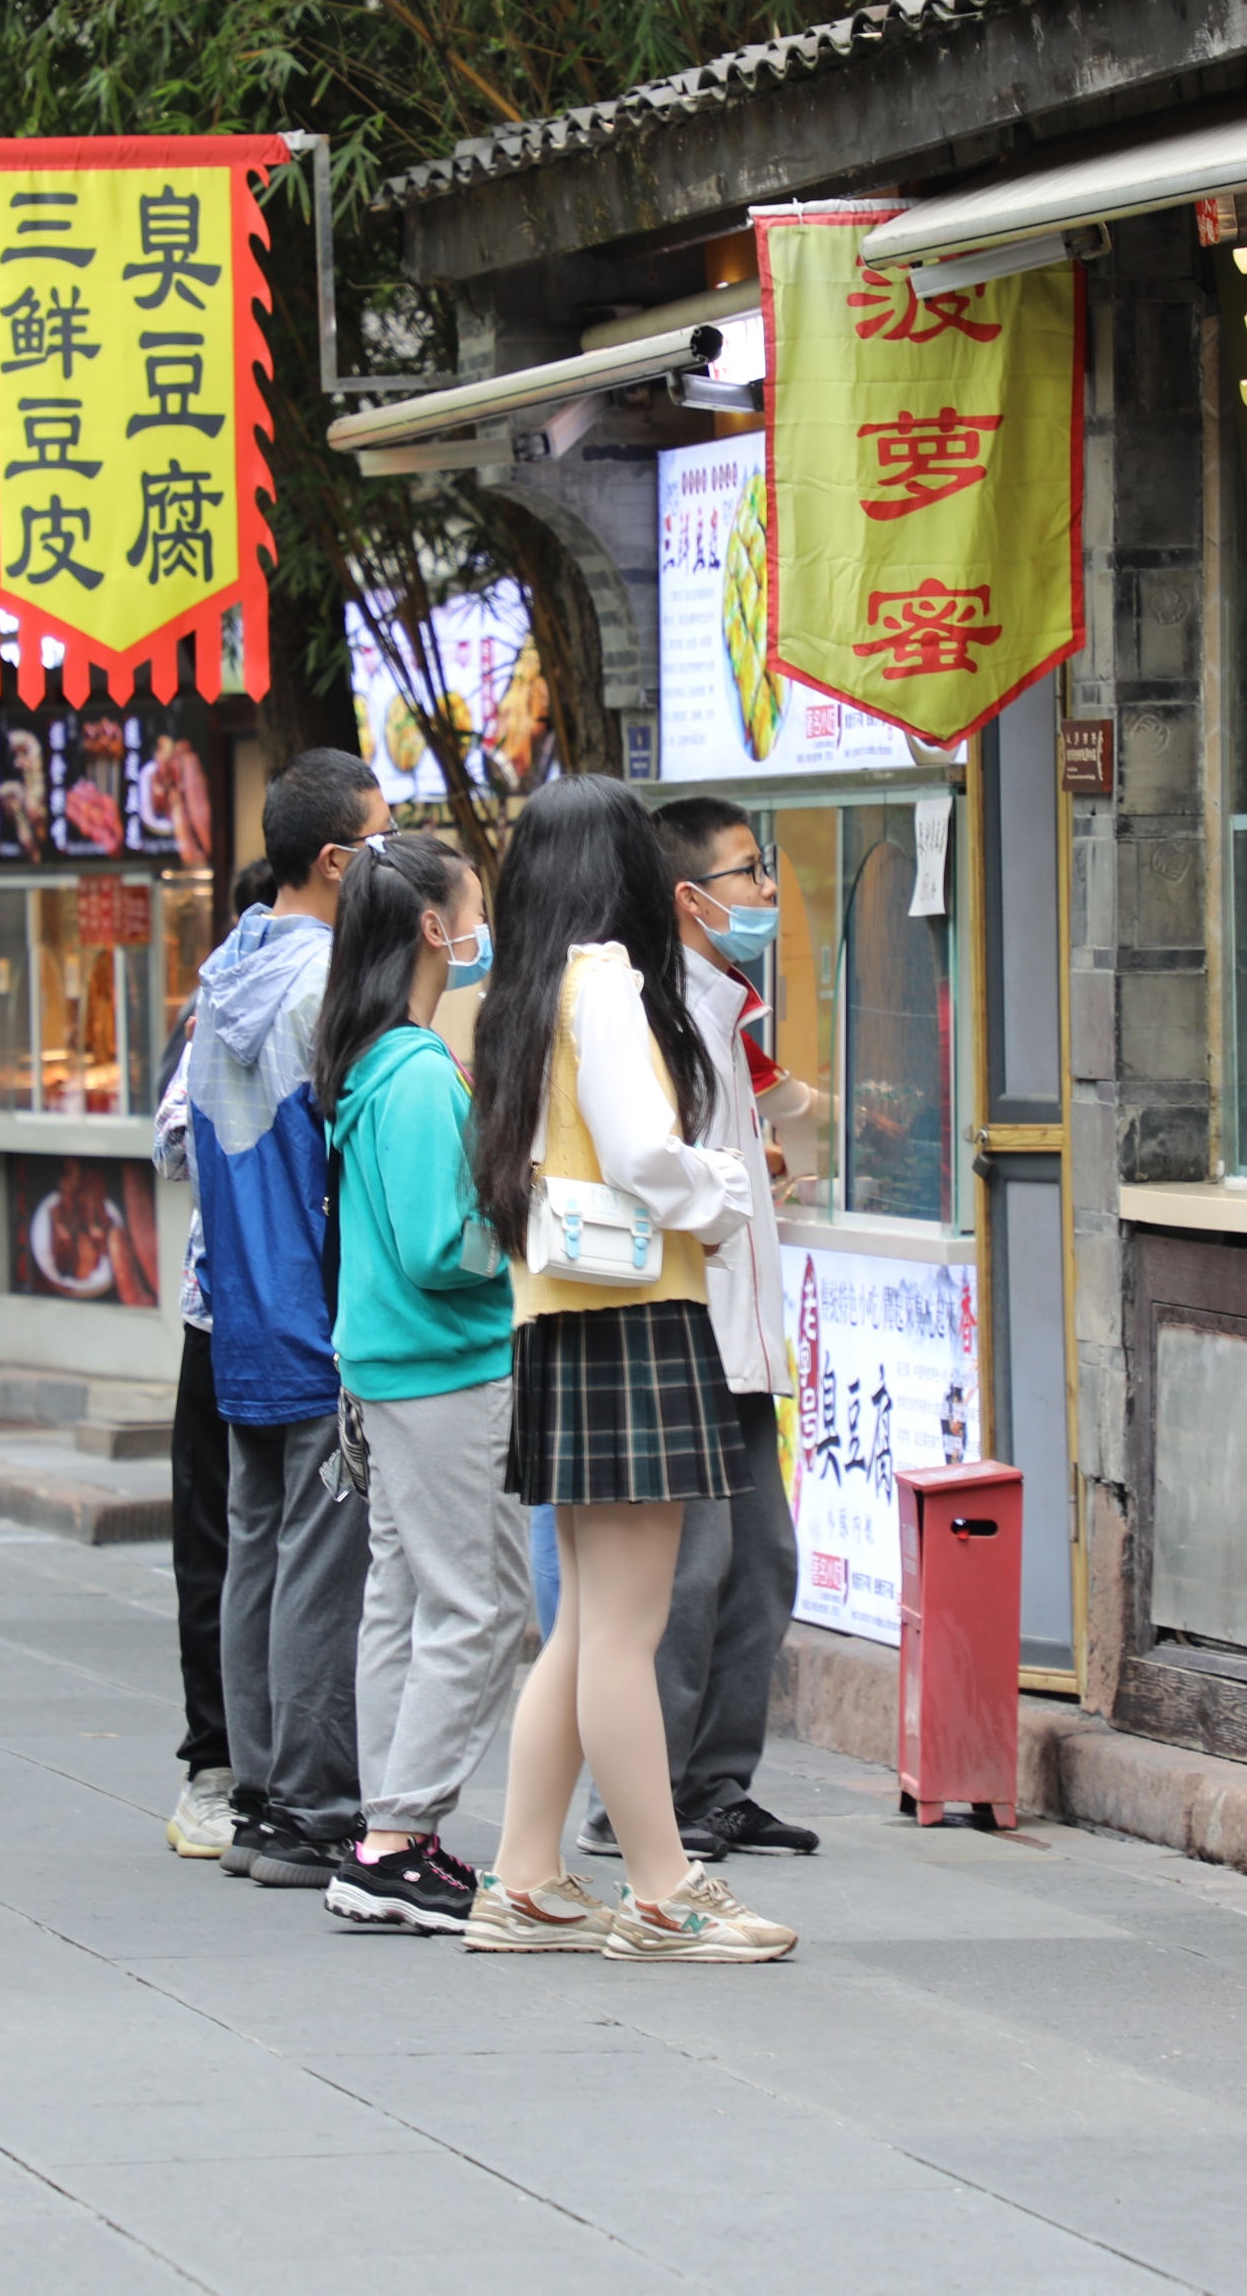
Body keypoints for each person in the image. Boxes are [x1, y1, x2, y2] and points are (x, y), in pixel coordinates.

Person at [457, 775, 791, 1963]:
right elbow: (647, 1155)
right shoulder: (601, 983)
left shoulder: (522, 992)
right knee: (622, 1629)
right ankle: (660, 1891)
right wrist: (726, 1187)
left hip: (561, 1321)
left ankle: (524, 1878)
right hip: (635, 1320)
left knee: (585, 1627)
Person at [576, 798, 817, 1865]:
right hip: (682, 1337)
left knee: (760, 1563)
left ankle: (715, 1785)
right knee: (686, 1577)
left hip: (740, 1345)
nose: (766, 890)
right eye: (747, 871)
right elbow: (651, 1171)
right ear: (689, 897)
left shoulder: (719, 1011)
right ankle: (637, 1801)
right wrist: (726, 1191)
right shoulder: (657, 1016)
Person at [184, 750, 389, 1891]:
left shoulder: (226, 974)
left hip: (240, 1312)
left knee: (256, 1554)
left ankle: (261, 1797)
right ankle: (311, 1806)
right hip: (313, 1308)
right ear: (336, 860)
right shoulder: (327, 989)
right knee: (318, 1565)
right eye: (382, 839)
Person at [313, 833, 520, 1935]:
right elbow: (446, 1248)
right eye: (472, 908)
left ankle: (385, 1834)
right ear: (434, 929)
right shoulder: (419, 1074)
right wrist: (524, 1215)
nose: (482, 928)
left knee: (402, 1601)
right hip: (447, 1367)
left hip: (387, 1370)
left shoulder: (369, 1064)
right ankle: (396, 1839)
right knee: (478, 1605)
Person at [153, 852, 275, 1858]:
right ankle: (217, 1764)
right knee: (221, 1544)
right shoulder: (222, 1008)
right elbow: (170, 1143)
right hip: (226, 1315)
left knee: (265, 1546)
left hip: (267, 1314)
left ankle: (271, 1765)